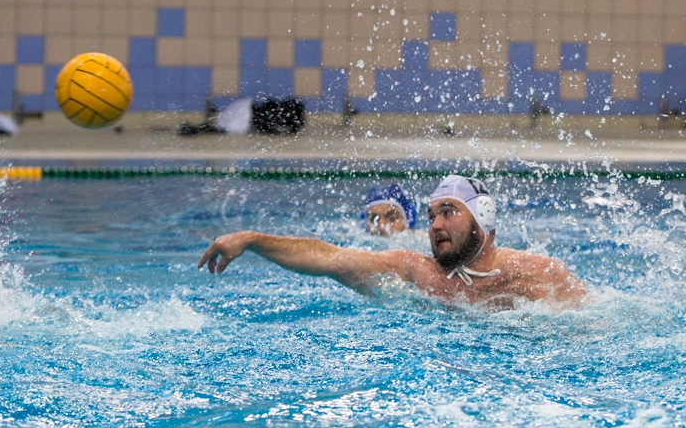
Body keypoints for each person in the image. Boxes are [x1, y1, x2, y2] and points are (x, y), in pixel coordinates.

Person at [199, 175, 587, 307]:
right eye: (432, 214)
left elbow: (598, 326)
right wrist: (251, 239)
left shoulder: (538, 272)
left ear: (482, 221)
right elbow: (327, 257)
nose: (435, 224)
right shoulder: (414, 271)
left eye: (449, 211)